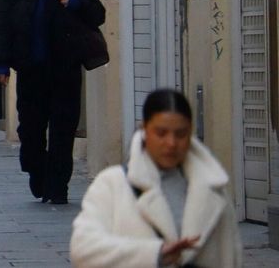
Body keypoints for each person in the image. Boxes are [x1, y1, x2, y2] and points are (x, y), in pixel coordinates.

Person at [0, 0, 106, 205]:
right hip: (31, 72)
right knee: (29, 132)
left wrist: (76, 4)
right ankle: (37, 171)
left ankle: (58, 188)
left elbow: (98, 15)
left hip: (65, 72)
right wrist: (1, 65)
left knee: (62, 132)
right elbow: (4, 28)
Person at [71, 88, 242, 267]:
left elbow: (231, 257)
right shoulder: (113, 184)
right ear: (144, 129)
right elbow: (83, 249)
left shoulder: (213, 188)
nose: (171, 143)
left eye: (180, 134)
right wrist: (154, 254)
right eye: (161, 133)